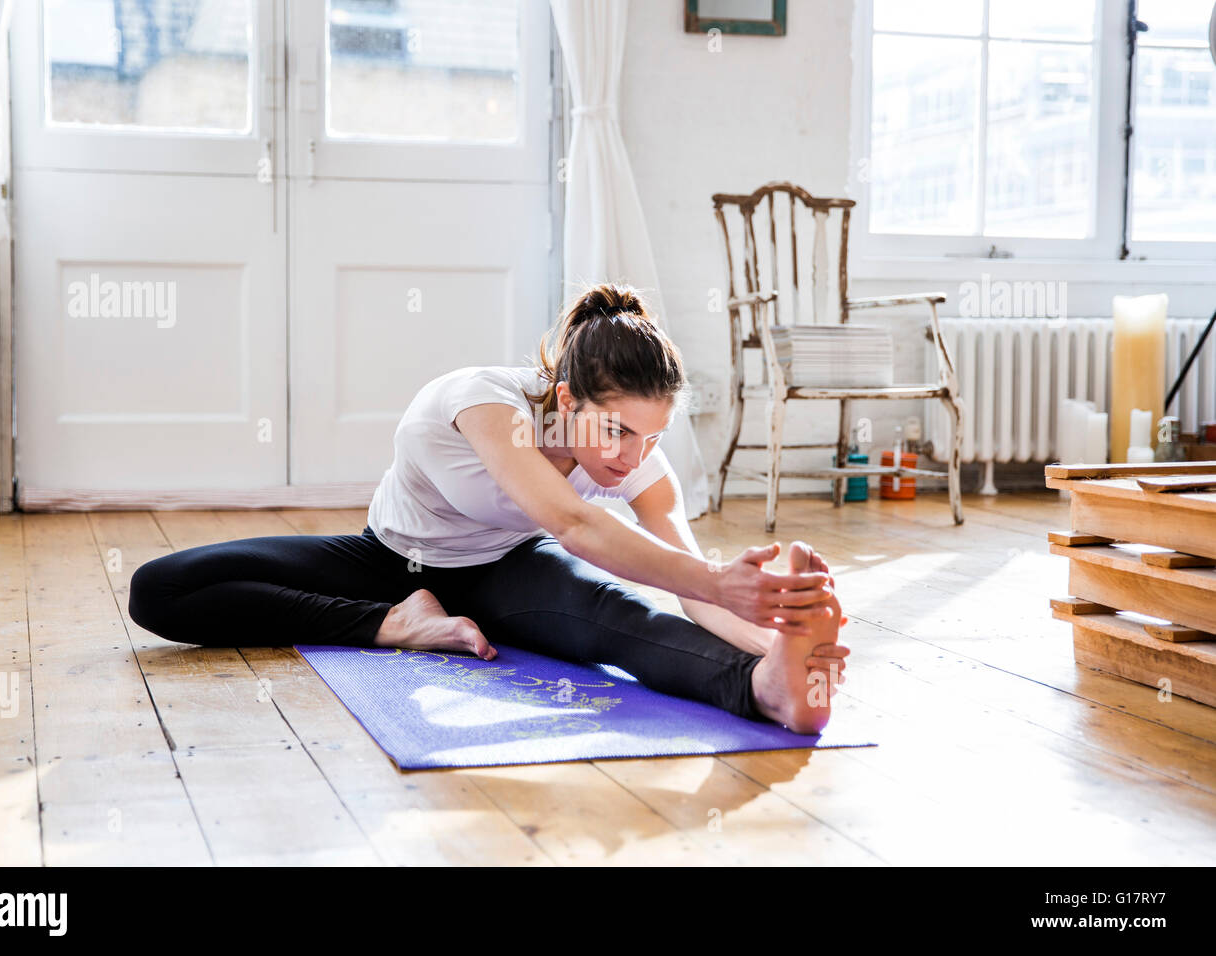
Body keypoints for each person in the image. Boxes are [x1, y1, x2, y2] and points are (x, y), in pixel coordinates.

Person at [129, 283, 849, 733]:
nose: (632, 457)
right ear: (566, 399)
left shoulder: (637, 459)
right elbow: (573, 522)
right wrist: (720, 579)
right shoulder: (485, 403)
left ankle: (765, 692)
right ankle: (393, 623)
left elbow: (689, 585)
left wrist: (774, 642)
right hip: (389, 561)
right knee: (160, 589)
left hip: (506, 570)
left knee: (617, 619)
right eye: (617, 431)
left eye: (651, 437)